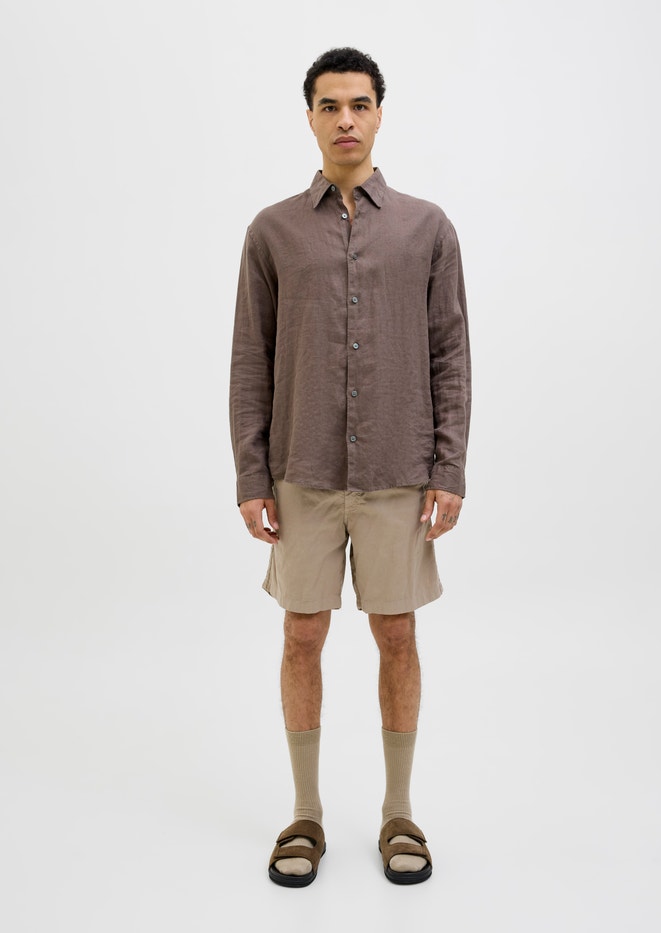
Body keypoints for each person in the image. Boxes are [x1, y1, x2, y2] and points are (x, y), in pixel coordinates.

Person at [229, 46, 471, 887]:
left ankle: (399, 811)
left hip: (400, 470)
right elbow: (251, 359)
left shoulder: (427, 227)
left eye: (359, 104)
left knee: (396, 633)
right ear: (309, 117)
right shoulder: (271, 231)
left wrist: (450, 466)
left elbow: (450, 353)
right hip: (301, 471)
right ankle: (305, 813)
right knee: (302, 634)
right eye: (329, 105)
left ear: (379, 114)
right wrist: (251, 476)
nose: (345, 119)